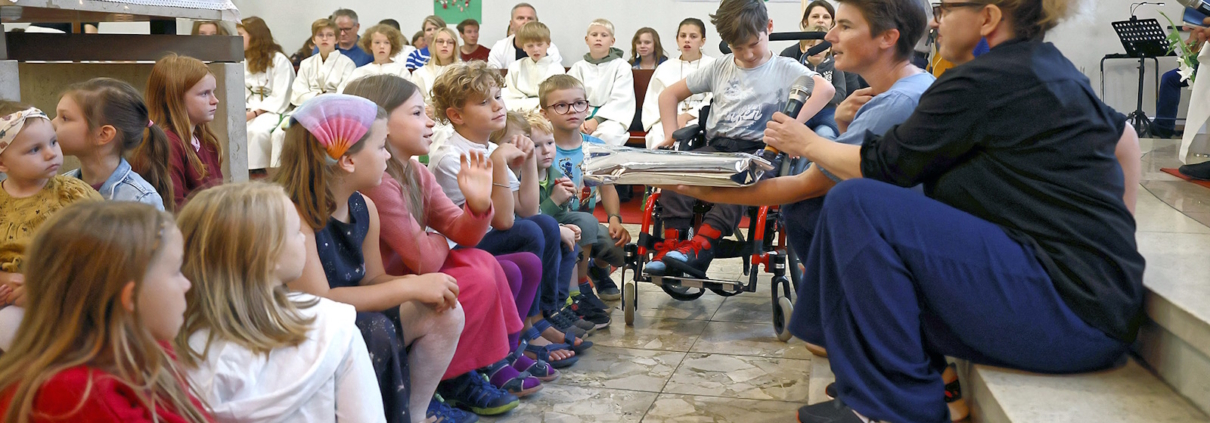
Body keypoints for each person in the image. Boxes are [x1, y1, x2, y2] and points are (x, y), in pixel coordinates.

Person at [749, 0, 1145, 421]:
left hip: (1070, 317)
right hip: (1092, 306)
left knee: (857, 203)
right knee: (886, 207)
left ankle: (896, 407)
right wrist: (1116, 240)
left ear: (988, 18)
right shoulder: (1047, 67)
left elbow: (881, 166)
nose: (935, 21)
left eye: (946, 8)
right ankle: (931, 384)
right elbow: (1126, 137)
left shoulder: (985, 79)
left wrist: (806, 142)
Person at [348, 75, 552, 401]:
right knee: (476, 276)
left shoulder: (416, 172)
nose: (430, 122)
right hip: (392, 283)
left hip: (412, 272)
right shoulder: (380, 181)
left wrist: (477, 204)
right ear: (380, 123)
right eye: (417, 114)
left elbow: (463, 234)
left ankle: (483, 361)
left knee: (485, 260)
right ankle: (455, 378)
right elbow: (425, 258)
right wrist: (440, 238)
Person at [273, 94, 469, 423]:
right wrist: (411, 287)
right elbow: (321, 300)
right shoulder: (293, 213)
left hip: (349, 317)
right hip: (300, 330)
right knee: (374, 328)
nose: (387, 155)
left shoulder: (364, 206)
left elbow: (373, 279)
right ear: (348, 160)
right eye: (380, 147)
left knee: (444, 312)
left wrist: (418, 285)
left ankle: (414, 414)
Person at [647, 0, 832, 278]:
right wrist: (670, 134)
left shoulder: (784, 67)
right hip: (718, 146)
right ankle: (672, 244)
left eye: (753, 44)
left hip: (759, 151)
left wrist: (791, 127)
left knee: (740, 182)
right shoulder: (719, 67)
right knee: (678, 171)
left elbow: (825, 89)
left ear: (769, 28)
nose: (746, 54)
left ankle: (702, 244)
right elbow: (668, 95)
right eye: (737, 47)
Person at [175, 182, 385, 422]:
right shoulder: (335, 328)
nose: (305, 239)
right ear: (268, 256)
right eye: (297, 232)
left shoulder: (176, 354)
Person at [428, 62, 590, 372]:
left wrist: (528, 160)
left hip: (484, 236)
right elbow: (504, 221)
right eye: (484, 102)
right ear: (456, 115)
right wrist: (500, 162)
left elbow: (527, 209)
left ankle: (537, 320)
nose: (497, 106)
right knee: (533, 230)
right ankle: (530, 327)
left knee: (541, 224)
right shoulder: (451, 156)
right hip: (458, 246)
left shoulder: (488, 145)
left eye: (498, 97)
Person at [0, 202, 208, 423]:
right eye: (176, 271)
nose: (187, 284)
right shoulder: (76, 396)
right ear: (132, 297)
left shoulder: (145, 350)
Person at [0, 102, 102, 350]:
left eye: (53, 142)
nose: (51, 153)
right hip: (12, 305)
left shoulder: (73, 194)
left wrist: (46, 287)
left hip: (69, 298)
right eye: (35, 149)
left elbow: (106, 247)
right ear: (2, 163)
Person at [538, 75, 632, 303]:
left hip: (585, 224)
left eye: (579, 103)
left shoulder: (596, 147)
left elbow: (607, 187)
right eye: (561, 105)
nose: (572, 110)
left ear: (587, 108)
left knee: (619, 249)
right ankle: (578, 290)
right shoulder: (542, 148)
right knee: (582, 226)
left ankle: (598, 270)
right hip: (551, 220)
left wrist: (614, 218)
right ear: (544, 113)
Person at [54, 78, 170, 211]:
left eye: (64, 118)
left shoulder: (140, 200)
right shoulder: (60, 186)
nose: (51, 124)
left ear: (104, 134)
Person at [133, 54, 223, 210]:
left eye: (213, 92)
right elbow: (174, 208)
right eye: (204, 93)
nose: (215, 100)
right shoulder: (166, 144)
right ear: (174, 98)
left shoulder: (206, 141)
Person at [642, 18, 717, 149]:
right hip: (667, 118)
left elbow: (714, 97)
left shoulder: (713, 65)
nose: (687, 40)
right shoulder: (665, 67)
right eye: (683, 36)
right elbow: (653, 100)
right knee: (657, 136)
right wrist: (670, 118)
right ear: (677, 40)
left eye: (693, 36)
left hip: (701, 117)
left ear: (702, 41)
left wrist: (688, 115)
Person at [567, 19, 636, 147]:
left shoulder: (621, 66)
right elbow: (569, 96)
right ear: (587, 40)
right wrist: (579, 118)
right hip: (580, 116)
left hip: (610, 119)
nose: (598, 39)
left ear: (612, 41)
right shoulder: (578, 67)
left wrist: (596, 120)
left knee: (608, 136)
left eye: (604, 35)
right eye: (594, 35)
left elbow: (621, 99)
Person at [239, 17, 296, 173]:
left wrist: (255, 113)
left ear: (255, 36)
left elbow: (281, 95)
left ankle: (260, 173)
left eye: (240, 34)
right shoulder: (242, 61)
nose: (237, 39)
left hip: (272, 111)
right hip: (248, 110)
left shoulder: (279, 61)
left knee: (256, 132)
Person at [503, 22, 566, 112]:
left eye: (539, 44)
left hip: (544, 110)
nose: (535, 49)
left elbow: (556, 98)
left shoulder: (556, 69)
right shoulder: (515, 67)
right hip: (518, 110)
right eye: (530, 46)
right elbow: (509, 94)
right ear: (523, 47)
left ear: (548, 44)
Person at [799, 24, 844, 139]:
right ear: (802, 48)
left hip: (827, 113)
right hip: (805, 112)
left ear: (828, 48)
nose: (816, 49)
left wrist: (820, 98)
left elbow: (841, 93)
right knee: (797, 136)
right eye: (811, 45)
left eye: (820, 46)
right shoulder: (798, 67)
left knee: (825, 134)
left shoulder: (835, 66)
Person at [487, 3, 564, 69]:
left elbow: (556, 76)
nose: (525, 22)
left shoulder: (550, 48)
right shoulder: (500, 47)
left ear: (536, 23)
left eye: (530, 18)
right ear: (511, 24)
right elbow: (493, 76)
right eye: (520, 18)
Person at [1154, 32, 1202, 138]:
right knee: (1169, 79)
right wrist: (1192, 44)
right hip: (1201, 65)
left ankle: (1197, 130)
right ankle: (1164, 127)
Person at [346, 23, 412, 87]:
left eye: (386, 43)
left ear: (392, 45)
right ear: (370, 45)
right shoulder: (360, 72)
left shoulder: (401, 71)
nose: (382, 46)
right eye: (377, 42)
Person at [412, 27, 463, 102]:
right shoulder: (420, 74)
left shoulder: (464, 71)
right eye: (440, 41)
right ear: (433, 44)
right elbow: (414, 101)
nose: (445, 45)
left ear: (455, 46)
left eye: (450, 42)